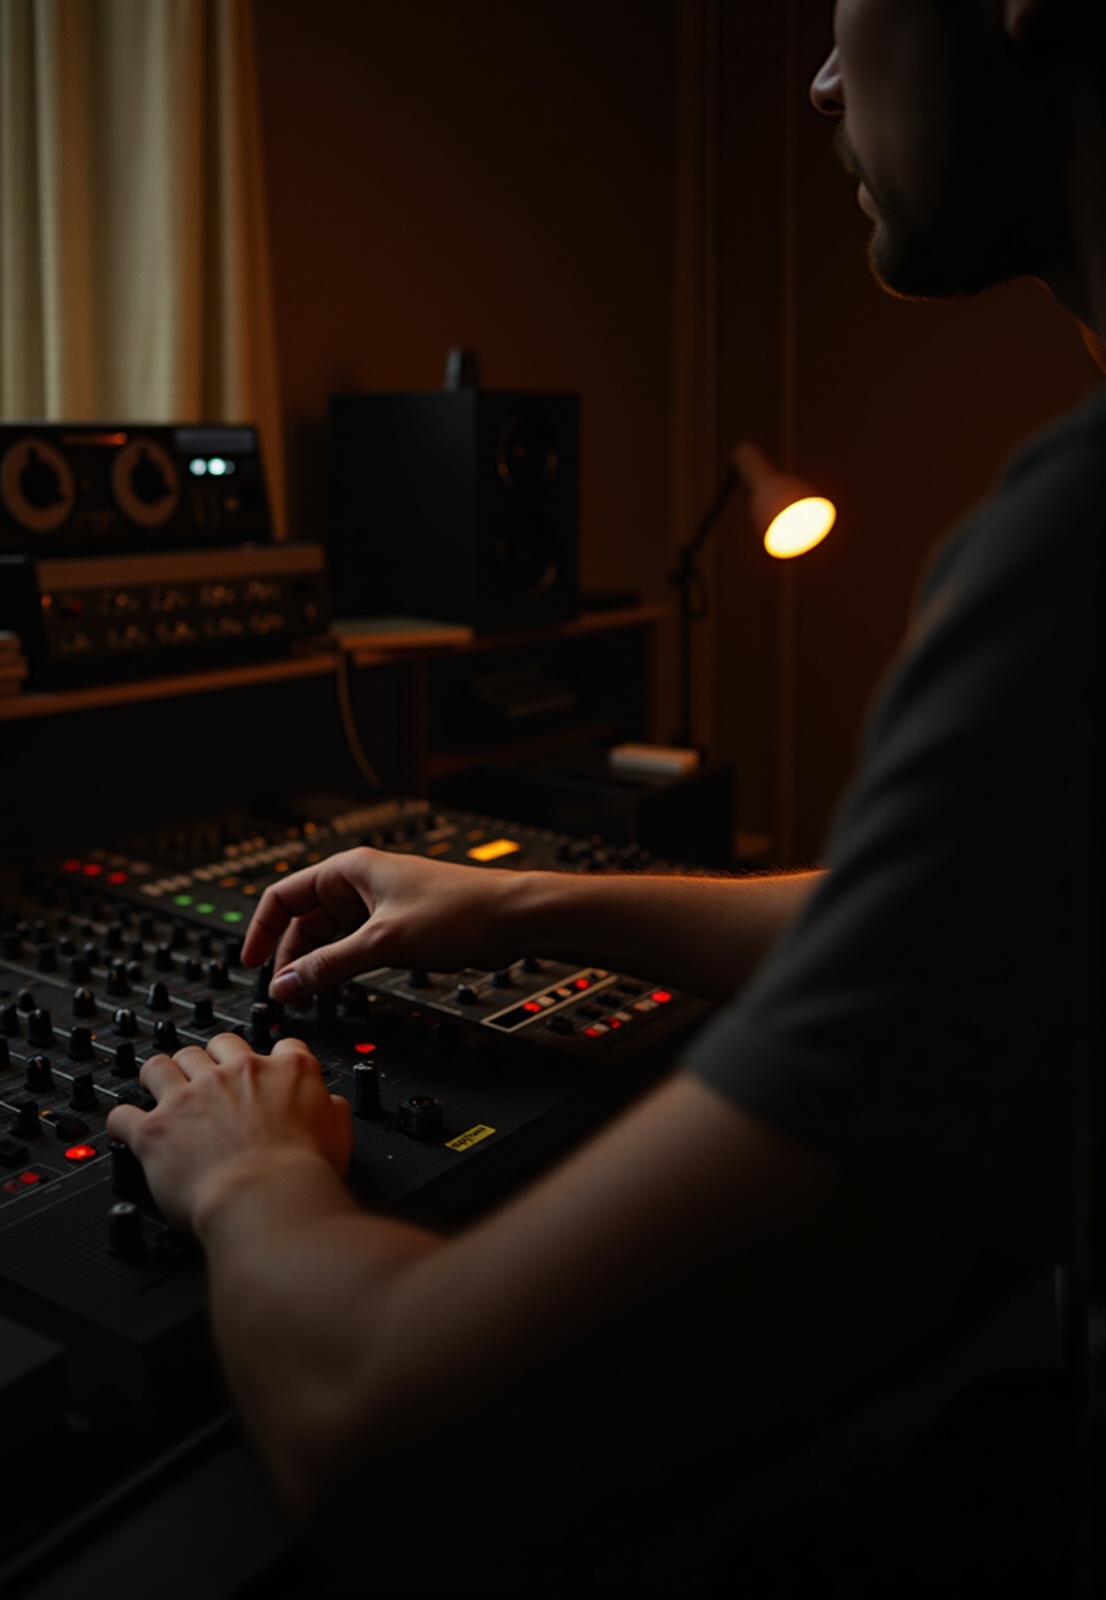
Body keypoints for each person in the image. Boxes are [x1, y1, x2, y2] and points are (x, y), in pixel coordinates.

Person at [108, 0, 1102, 1586]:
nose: (825, 78)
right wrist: (532, 900)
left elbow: (377, 1425)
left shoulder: (1073, 554)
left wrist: (246, 1173)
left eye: (849, 11)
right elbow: (1011, 928)